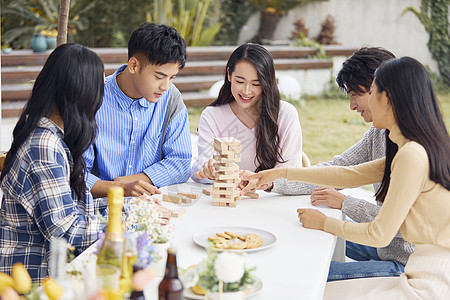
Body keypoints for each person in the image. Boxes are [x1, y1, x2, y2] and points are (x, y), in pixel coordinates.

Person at [245, 56, 450, 299]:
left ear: (388, 98)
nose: (355, 105)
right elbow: (346, 173)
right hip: (428, 270)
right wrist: (280, 173)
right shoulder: (411, 148)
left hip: (425, 283)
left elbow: (379, 233)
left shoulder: (412, 155)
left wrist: (325, 223)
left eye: (371, 91)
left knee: (307, 281)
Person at [0, 44, 107, 282]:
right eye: (98, 89)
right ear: (81, 93)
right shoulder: (44, 146)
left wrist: (129, 211)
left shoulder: (51, 134)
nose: (101, 98)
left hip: (48, 271)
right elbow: (66, 231)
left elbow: (74, 207)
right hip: (29, 283)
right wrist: (121, 230)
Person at [84, 22, 192, 198]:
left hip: (153, 207)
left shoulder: (171, 98)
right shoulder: (93, 99)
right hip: (100, 210)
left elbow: (181, 162)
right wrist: (116, 189)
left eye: (172, 77)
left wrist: (139, 180)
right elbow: (77, 173)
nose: (165, 86)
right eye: (159, 76)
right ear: (133, 66)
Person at [191, 43, 302, 183]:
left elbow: (291, 172)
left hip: (272, 199)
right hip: (230, 200)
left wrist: (261, 182)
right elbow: (201, 167)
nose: (246, 91)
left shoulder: (285, 114)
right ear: (229, 75)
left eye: (256, 84)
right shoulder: (212, 116)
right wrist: (208, 170)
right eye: (240, 81)